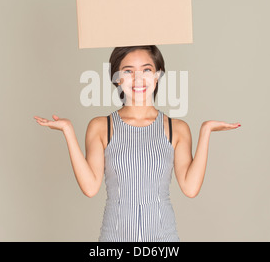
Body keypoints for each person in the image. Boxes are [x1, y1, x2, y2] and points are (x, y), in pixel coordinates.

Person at [33, 45, 241, 241]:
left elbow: (190, 188)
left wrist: (206, 131)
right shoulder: (101, 126)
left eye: (147, 70)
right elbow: (90, 187)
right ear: (117, 79)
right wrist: (68, 131)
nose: (138, 79)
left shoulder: (176, 128)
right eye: (128, 71)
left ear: (158, 75)